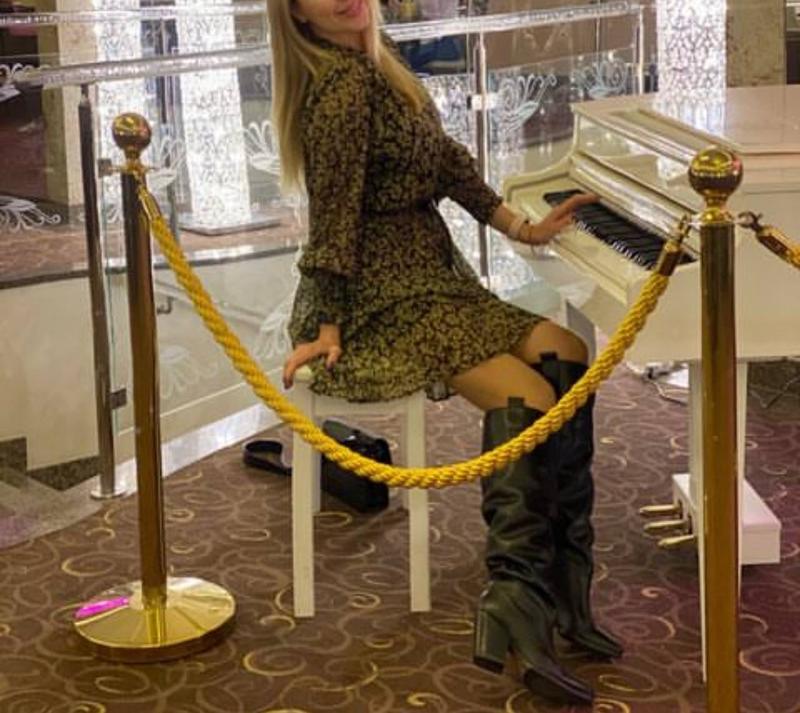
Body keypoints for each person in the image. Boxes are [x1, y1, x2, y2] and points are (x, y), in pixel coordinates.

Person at [266, 0, 621, 704]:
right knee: (529, 397)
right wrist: (330, 321)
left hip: (433, 280)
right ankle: (514, 596)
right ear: (297, 16)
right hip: (378, 298)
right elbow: (333, 215)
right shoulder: (340, 87)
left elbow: (447, 163)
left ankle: (563, 575)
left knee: (569, 351)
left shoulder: (383, 66)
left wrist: (520, 226)